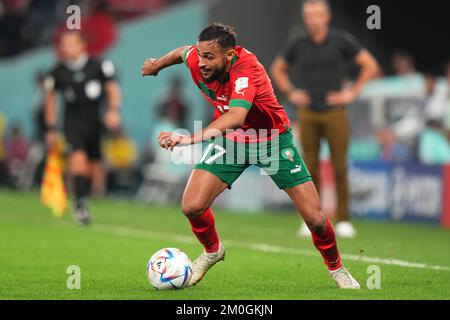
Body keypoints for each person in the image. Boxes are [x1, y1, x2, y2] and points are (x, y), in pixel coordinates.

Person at [141, 22, 360, 289]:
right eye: (200, 55)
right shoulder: (196, 59)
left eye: (209, 57)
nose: (202, 62)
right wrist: (156, 66)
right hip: (233, 142)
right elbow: (181, 52)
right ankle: (212, 251)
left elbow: (236, 116)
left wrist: (186, 139)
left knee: (314, 218)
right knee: (192, 206)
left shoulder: (247, 70)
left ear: (229, 56)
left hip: (272, 141)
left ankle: (337, 268)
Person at [270, 0, 379, 238]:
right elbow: (277, 68)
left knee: (340, 166)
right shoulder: (298, 43)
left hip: (335, 112)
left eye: (317, 14)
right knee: (309, 168)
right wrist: (291, 92)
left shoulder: (341, 41)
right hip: (307, 113)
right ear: (305, 18)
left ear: (326, 17)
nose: (313, 19)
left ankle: (344, 220)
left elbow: (370, 65)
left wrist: (351, 93)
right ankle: (311, 219)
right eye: (309, 15)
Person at [44, 30, 121, 225]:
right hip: (72, 123)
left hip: (95, 123)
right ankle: (79, 204)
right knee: (77, 157)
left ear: (82, 45)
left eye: (71, 43)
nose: (66, 48)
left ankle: (83, 196)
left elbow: (112, 89)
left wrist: (113, 111)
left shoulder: (99, 66)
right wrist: (51, 128)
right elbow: (51, 101)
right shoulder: (57, 72)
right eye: (64, 44)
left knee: (93, 167)